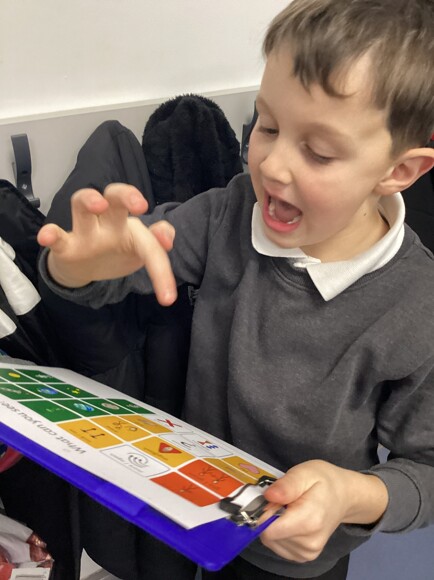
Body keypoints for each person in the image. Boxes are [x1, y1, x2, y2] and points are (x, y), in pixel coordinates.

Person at [37, 0, 434, 578]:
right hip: (190, 506)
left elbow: (425, 468)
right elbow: (114, 271)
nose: (271, 166)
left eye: (319, 152)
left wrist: (353, 496)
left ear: (399, 171)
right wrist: (78, 265)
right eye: (266, 126)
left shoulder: (417, 304)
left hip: (292, 553)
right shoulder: (228, 212)